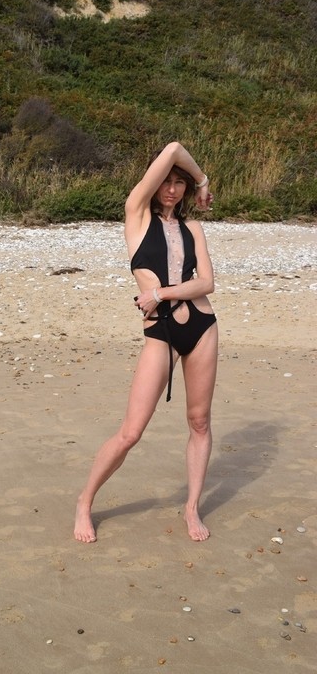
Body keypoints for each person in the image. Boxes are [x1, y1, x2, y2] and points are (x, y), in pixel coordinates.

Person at [74, 141, 217, 543]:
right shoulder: (136, 215)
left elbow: (207, 283)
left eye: (180, 184)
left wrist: (161, 294)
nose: (172, 189)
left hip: (202, 326)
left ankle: (191, 507)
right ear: (153, 185)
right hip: (161, 334)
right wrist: (203, 179)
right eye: (166, 182)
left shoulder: (193, 227)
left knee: (200, 422)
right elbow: (173, 147)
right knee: (131, 432)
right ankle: (85, 502)